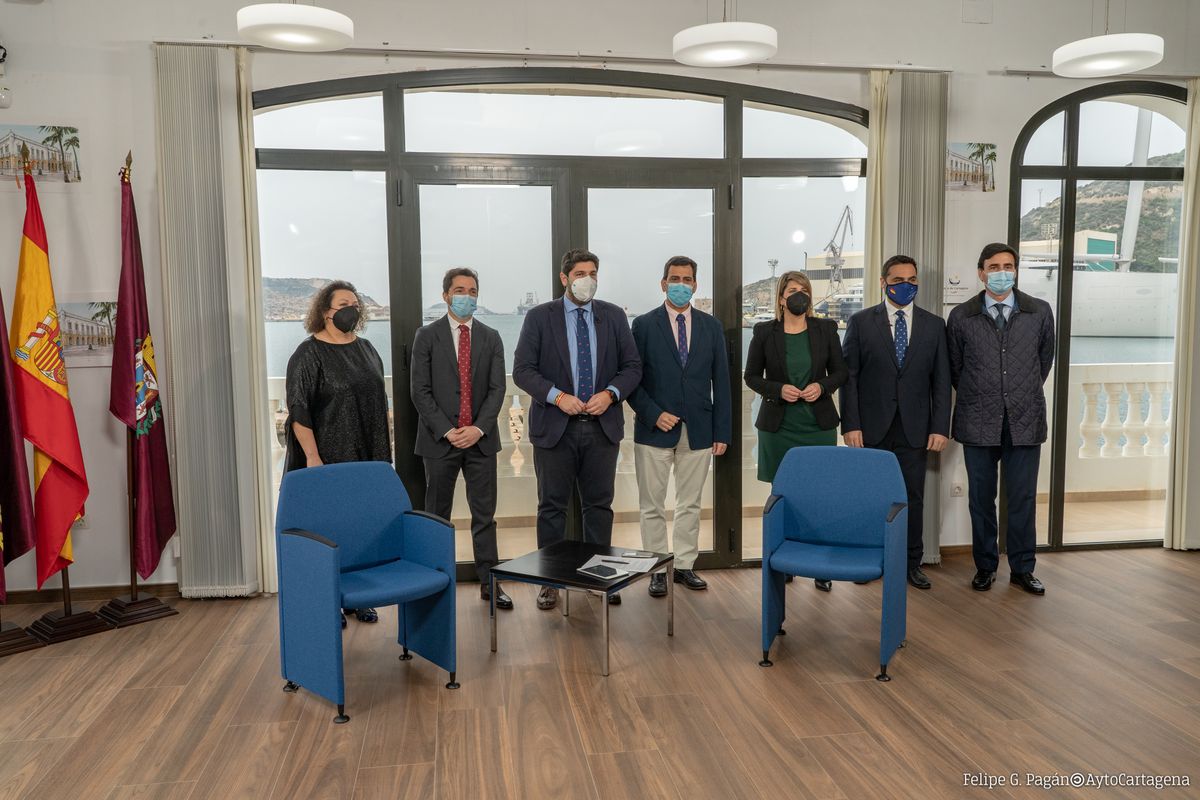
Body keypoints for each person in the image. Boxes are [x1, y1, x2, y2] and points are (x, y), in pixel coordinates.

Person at [512, 249, 642, 610]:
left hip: (602, 427)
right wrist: (557, 397)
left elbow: (632, 367)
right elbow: (522, 370)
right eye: (581, 273)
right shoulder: (540, 317)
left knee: (599, 507)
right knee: (551, 508)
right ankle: (550, 581)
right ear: (564, 277)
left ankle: (598, 579)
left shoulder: (613, 316)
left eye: (593, 273)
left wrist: (610, 394)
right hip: (556, 428)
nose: (588, 279)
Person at [947, 243, 1055, 595]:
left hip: (1025, 420)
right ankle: (985, 566)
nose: (1002, 272)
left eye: (1008, 266)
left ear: (1016, 271)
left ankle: (1023, 569)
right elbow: (956, 369)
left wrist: (1016, 391)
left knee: (1022, 498)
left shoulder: (1039, 311)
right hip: (978, 419)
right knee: (981, 500)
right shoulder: (962, 316)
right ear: (981, 273)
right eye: (994, 267)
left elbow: (1043, 362)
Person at [285, 280, 391, 626]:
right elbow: (299, 411)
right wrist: (313, 458)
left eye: (356, 305)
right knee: (329, 532)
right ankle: (330, 601)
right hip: (328, 458)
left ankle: (359, 598)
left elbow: (377, 401)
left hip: (367, 457)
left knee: (361, 528)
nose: (352, 310)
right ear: (325, 312)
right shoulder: (309, 354)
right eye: (344, 304)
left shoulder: (367, 349)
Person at [841, 255, 951, 589]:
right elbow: (849, 379)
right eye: (898, 280)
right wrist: (850, 425)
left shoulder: (934, 325)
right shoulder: (861, 322)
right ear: (883, 282)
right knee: (871, 497)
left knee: (911, 498)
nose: (906, 285)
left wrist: (940, 427)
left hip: (915, 429)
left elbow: (941, 382)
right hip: (870, 428)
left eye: (912, 280)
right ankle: (869, 560)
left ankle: (910, 563)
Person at [629, 256, 731, 597]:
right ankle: (658, 569)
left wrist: (722, 431)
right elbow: (631, 380)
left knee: (690, 503)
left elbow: (722, 382)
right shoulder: (643, 325)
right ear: (663, 284)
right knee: (652, 505)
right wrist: (653, 413)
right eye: (675, 279)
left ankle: (685, 565)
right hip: (654, 430)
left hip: (699, 430)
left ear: (695, 285)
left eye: (687, 280)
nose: (681, 285)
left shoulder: (711, 326)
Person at [410, 268, 511, 610]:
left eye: (472, 290)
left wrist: (478, 428)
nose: (466, 296)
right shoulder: (427, 336)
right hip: (440, 441)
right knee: (437, 516)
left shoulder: (491, 337)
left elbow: (498, 389)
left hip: (481, 441)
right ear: (446, 296)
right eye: (459, 290)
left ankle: (489, 582)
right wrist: (447, 430)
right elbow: (419, 390)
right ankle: (434, 584)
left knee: (485, 516)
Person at [745, 270, 848, 592]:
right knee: (782, 494)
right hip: (779, 427)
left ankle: (821, 565)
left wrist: (822, 386)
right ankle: (785, 559)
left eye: (803, 289)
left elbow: (841, 372)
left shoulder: (826, 329)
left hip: (817, 425)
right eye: (792, 290)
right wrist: (777, 389)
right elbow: (751, 376)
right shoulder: (764, 332)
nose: (798, 294)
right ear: (781, 298)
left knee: (820, 494)